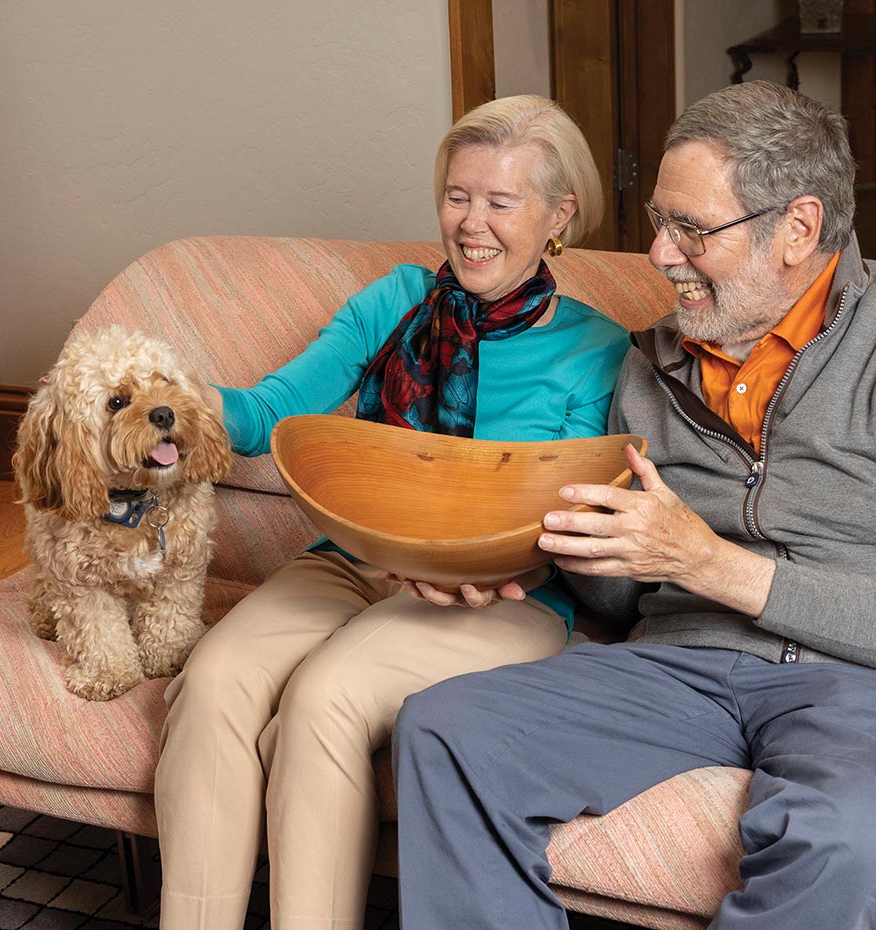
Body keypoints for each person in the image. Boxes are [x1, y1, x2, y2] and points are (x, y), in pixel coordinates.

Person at [393, 80, 876, 930]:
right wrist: (533, 552)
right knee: (447, 729)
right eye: (659, 219)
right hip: (679, 663)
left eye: (691, 228)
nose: (659, 252)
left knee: (849, 836)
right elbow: (621, 594)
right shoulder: (651, 359)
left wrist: (708, 563)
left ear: (797, 229)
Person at [154, 94, 632, 930]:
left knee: (326, 694)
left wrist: (489, 562)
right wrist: (170, 402)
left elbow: (575, 510)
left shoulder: (598, 347)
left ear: (560, 217)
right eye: (457, 195)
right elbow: (272, 413)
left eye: (500, 201)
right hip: (351, 555)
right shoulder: (396, 300)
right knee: (217, 677)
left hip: (504, 591)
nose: (471, 223)